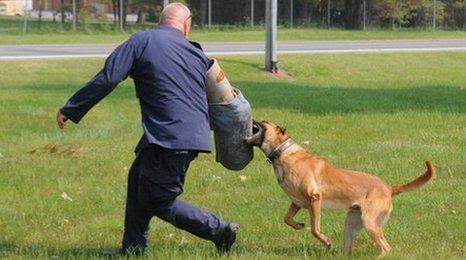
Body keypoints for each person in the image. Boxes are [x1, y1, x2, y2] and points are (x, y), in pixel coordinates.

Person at [56, 2, 238, 255]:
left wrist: (72, 108)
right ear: (186, 26)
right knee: (138, 180)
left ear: (160, 21)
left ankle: (220, 230)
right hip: (189, 135)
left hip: (170, 137)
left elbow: (109, 77)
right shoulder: (196, 52)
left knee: (157, 200)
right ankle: (133, 248)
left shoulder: (141, 41)